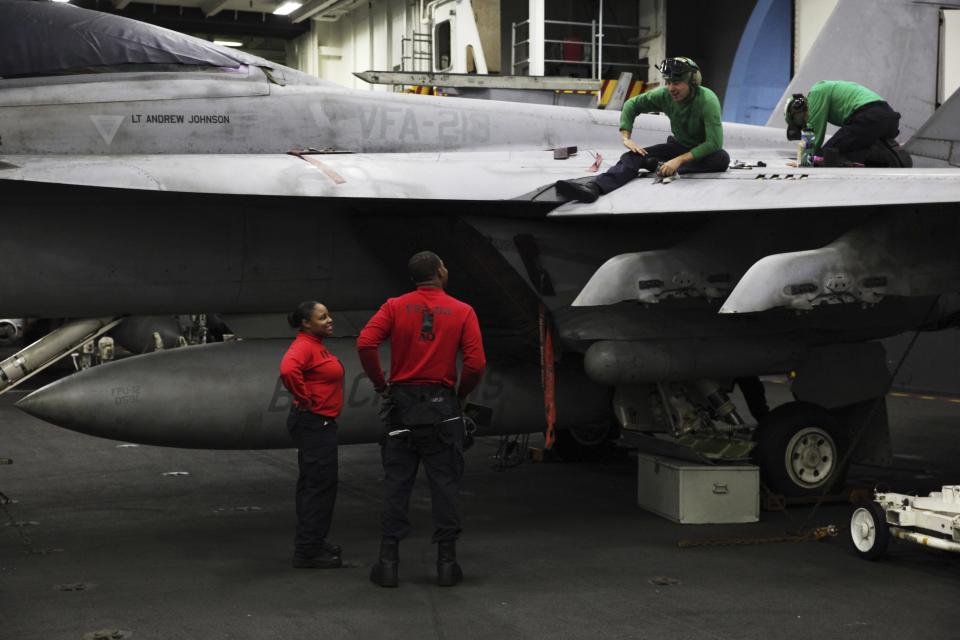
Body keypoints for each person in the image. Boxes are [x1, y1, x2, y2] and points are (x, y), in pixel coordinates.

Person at [357, 251, 486, 588]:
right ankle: (446, 565)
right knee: (445, 485)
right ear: (441, 271)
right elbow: (475, 364)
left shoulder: (394, 306)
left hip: (401, 405)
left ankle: (388, 564)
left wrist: (381, 385)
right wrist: (461, 396)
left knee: (397, 484)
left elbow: (366, 342)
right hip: (442, 408)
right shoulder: (463, 311)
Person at [556, 57, 730, 203]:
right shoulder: (664, 95)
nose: (671, 88)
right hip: (679, 145)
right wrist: (626, 137)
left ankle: (659, 166)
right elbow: (631, 105)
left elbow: (714, 142)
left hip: (702, 152)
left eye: (676, 83)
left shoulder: (708, 100)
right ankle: (594, 188)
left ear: (692, 82)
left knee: (722, 159)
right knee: (631, 156)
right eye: (668, 82)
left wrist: (678, 161)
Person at [279, 301, 344, 569]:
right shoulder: (304, 346)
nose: (330, 320)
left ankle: (312, 540)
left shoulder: (314, 344)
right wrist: (304, 397)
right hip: (315, 423)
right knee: (319, 487)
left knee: (313, 485)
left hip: (316, 423)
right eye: (323, 317)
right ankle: (307, 552)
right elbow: (287, 369)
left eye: (329, 315)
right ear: (306, 323)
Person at [784, 81, 911, 167]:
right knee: (850, 147)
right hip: (888, 118)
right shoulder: (829, 89)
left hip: (870, 115)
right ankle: (890, 157)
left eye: (798, 121)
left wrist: (805, 161)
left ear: (796, 110)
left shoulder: (816, 92)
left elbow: (813, 130)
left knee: (828, 154)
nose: (802, 124)